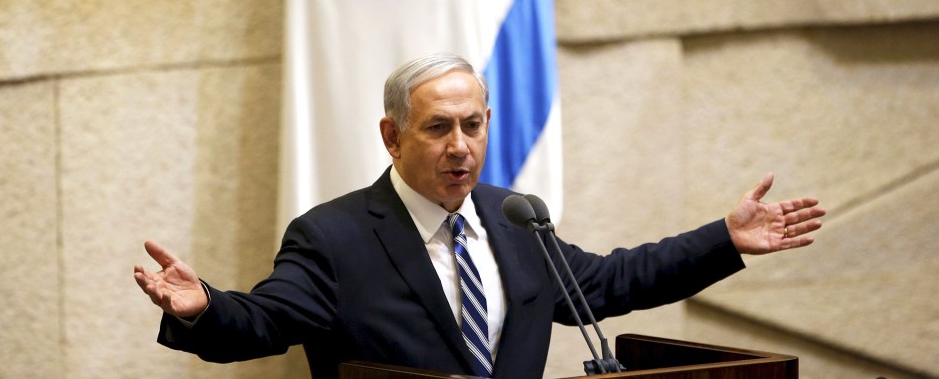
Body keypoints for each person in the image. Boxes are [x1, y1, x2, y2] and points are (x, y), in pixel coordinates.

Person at [134, 53, 826, 379]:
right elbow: (266, 323)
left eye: (472, 125)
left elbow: (615, 282)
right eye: (437, 127)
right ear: (392, 135)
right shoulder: (334, 236)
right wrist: (202, 309)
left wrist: (724, 240)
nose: (459, 146)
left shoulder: (515, 219)